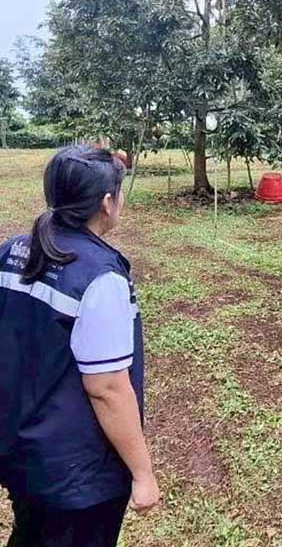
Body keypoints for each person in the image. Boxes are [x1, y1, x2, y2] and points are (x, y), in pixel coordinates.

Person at [1, 145, 161, 546]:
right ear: (108, 203)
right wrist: (143, 474)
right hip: (78, 478)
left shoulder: (11, 253)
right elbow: (107, 388)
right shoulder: (99, 278)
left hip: (21, 452)